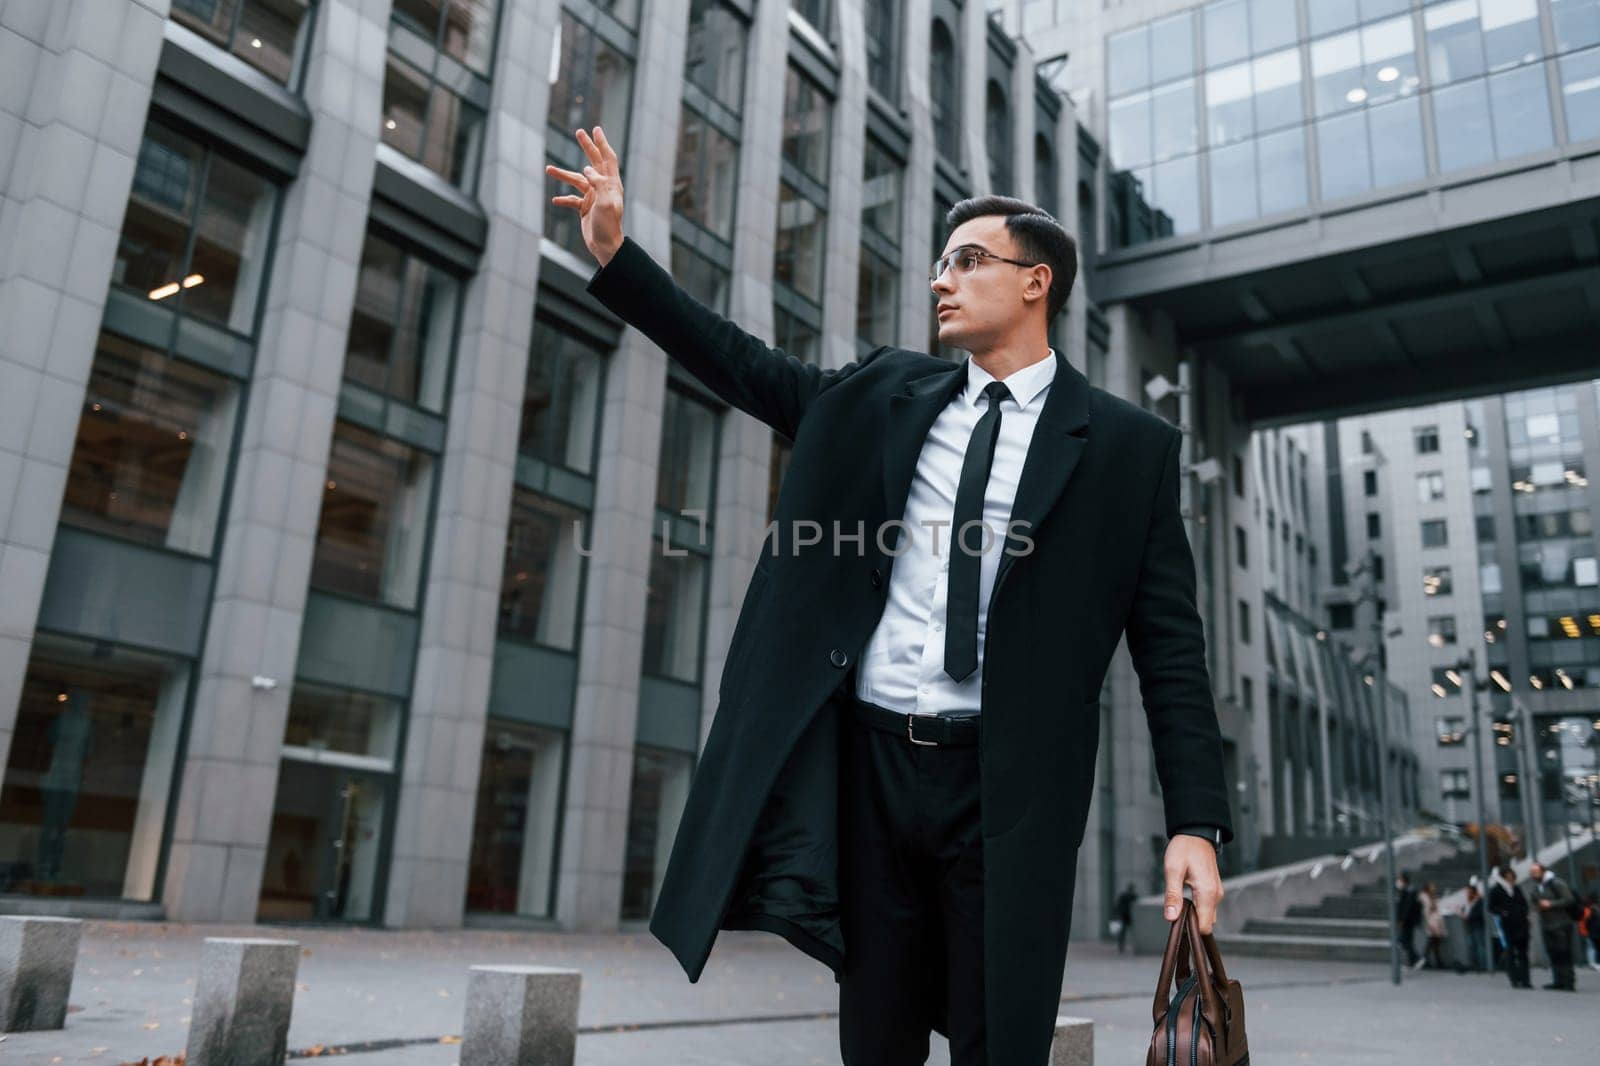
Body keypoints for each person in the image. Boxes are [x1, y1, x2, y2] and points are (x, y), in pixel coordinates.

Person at [549, 126, 1233, 1065]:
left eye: (966, 261)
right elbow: (746, 366)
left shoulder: (1127, 450)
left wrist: (1195, 822)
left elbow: (1171, 653)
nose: (940, 281)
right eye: (940, 263)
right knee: (875, 1043)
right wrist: (620, 256)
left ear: (1037, 283)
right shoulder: (885, 392)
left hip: (1008, 793)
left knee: (1000, 1042)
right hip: (871, 773)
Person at [1528, 862, 1577, 991]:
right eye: (1532, 873)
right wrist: (1536, 906)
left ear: (1543, 871)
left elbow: (1569, 899)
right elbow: (1533, 902)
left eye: (1536, 872)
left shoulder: (1557, 883)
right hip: (1547, 924)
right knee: (1553, 952)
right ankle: (1558, 980)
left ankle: (1568, 981)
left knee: (1564, 952)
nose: (1533, 875)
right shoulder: (1537, 887)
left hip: (1561, 923)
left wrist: (1551, 904)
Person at [1488, 866, 1532, 989]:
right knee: (1511, 952)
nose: (1510, 877)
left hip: (1521, 924)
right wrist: (1503, 912)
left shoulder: (1516, 888)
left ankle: (1525, 979)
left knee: (1523, 953)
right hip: (1508, 925)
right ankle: (1515, 979)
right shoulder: (1496, 890)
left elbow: (1524, 903)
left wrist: (1524, 913)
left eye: (1511, 875)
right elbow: (1491, 907)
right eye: (1508, 875)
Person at [1395, 872, 1422, 968]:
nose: (1398, 882)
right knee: (1407, 941)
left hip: (1407, 921)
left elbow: (1407, 907)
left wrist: (1402, 919)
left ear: (1404, 880)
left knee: (1404, 940)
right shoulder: (1405, 891)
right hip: (1407, 921)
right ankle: (1413, 961)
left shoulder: (1409, 891)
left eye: (1399, 879)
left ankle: (1417, 958)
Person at [1460, 883, 1487, 973]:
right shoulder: (1467, 902)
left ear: (1473, 892)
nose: (1467, 894)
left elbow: (1480, 914)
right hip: (1469, 926)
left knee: (1480, 946)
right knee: (1472, 946)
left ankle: (1483, 965)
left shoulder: (1479, 901)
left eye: (1469, 892)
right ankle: (1474, 964)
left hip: (1477, 926)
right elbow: (1465, 911)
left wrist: (1469, 917)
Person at [1420, 881, 1446, 970]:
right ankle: (1425, 960)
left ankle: (1437, 961)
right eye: (1432, 887)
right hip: (1431, 923)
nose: (1434, 888)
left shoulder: (1432, 897)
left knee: (1435, 943)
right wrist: (1429, 924)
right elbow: (1427, 911)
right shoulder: (1424, 897)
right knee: (1431, 942)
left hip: (1436, 922)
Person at [1113, 883, 1138, 954]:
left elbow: (1118, 906)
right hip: (1127, 916)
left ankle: (1122, 946)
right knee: (1124, 932)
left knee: (1123, 933)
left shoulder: (1131, 896)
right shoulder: (1131, 896)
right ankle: (1122, 946)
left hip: (1127, 916)